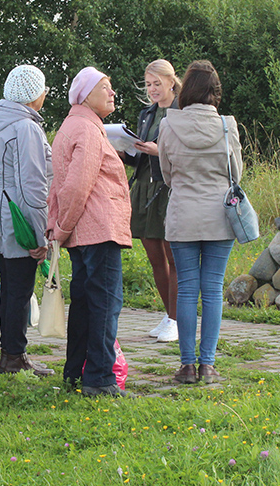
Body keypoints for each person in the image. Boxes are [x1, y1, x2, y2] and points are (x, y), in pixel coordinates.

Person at [47, 67, 132, 397]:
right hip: (98, 230)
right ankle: (99, 379)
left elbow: (58, 187)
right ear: (84, 95)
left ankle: (75, 374)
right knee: (105, 303)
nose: (112, 93)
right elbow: (76, 186)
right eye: (105, 88)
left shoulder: (74, 125)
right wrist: (63, 226)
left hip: (84, 231)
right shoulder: (87, 129)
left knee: (85, 302)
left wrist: (60, 226)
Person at [157, 60, 242, 385]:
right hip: (220, 215)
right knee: (212, 289)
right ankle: (208, 365)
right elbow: (236, 172)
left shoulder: (168, 125)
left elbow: (166, 172)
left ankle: (187, 366)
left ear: (185, 90)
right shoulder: (226, 126)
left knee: (187, 288)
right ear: (215, 93)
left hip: (182, 215)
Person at [0, 65, 54, 377]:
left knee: (11, 288)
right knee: (20, 291)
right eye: (43, 89)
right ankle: (14, 357)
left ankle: (8, 354)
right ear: (33, 95)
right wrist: (40, 237)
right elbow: (33, 186)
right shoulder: (26, 128)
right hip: (18, 218)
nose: (45, 94)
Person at [124, 59, 181, 343]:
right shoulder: (147, 114)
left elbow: (184, 153)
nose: (152, 90)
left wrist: (159, 151)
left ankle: (176, 319)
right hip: (144, 187)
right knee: (155, 258)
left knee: (174, 257)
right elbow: (138, 156)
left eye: (157, 83)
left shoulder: (182, 111)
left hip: (169, 188)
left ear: (171, 81)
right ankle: (169, 315)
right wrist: (121, 149)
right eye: (148, 85)